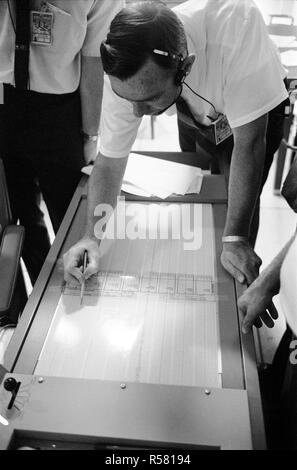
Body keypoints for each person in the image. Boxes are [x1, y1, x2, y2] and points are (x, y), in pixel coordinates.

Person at [63, 0, 288, 287]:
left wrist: (235, 239)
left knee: (239, 216)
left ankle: (234, 281)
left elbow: (250, 143)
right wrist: (91, 237)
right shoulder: (126, 63)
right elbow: (109, 162)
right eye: (128, 99)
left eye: (147, 100)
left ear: (186, 67)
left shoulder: (238, 25)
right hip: (197, 114)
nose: (136, 113)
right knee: (199, 187)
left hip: (255, 115)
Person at [0, 0, 124, 285]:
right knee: (20, 216)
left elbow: (94, 58)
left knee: (71, 215)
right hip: (2, 101)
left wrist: (91, 134)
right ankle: (41, 294)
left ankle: (74, 295)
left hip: (59, 110)